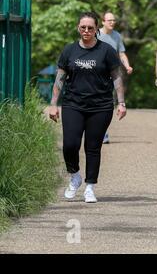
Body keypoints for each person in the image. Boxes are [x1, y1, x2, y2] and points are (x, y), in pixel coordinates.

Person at [49, 11, 127, 203]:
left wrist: (121, 102)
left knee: (93, 147)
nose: (86, 31)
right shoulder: (69, 50)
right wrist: (53, 104)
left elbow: (117, 76)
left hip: (100, 106)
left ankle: (90, 187)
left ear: (96, 30)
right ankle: (74, 175)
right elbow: (60, 78)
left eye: (90, 28)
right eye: (83, 27)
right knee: (70, 145)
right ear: (78, 28)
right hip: (73, 104)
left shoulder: (106, 50)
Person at [98, 11, 133, 144]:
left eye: (114, 20)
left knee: (108, 103)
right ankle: (97, 131)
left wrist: (127, 66)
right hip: (98, 74)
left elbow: (122, 54)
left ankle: (103, 132)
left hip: (113, 73)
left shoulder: (117, 36)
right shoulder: (97, 34)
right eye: (109, 20)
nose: (112, 22)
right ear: (103, 22)